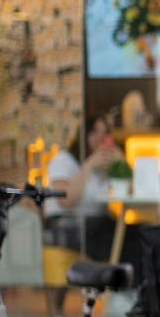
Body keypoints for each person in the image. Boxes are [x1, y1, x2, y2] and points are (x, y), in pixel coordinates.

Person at [43, 113, 123, 263]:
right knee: (122, 238)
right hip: (69, 224)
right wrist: (90, 165)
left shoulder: (104, 166)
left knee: (135, 232)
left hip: (97, 223)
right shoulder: (64, 160)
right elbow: (65, 200)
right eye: (94, 132)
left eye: (105, 132)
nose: (100, 137)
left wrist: (121, 164)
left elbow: (130, 191)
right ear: (84, 135)